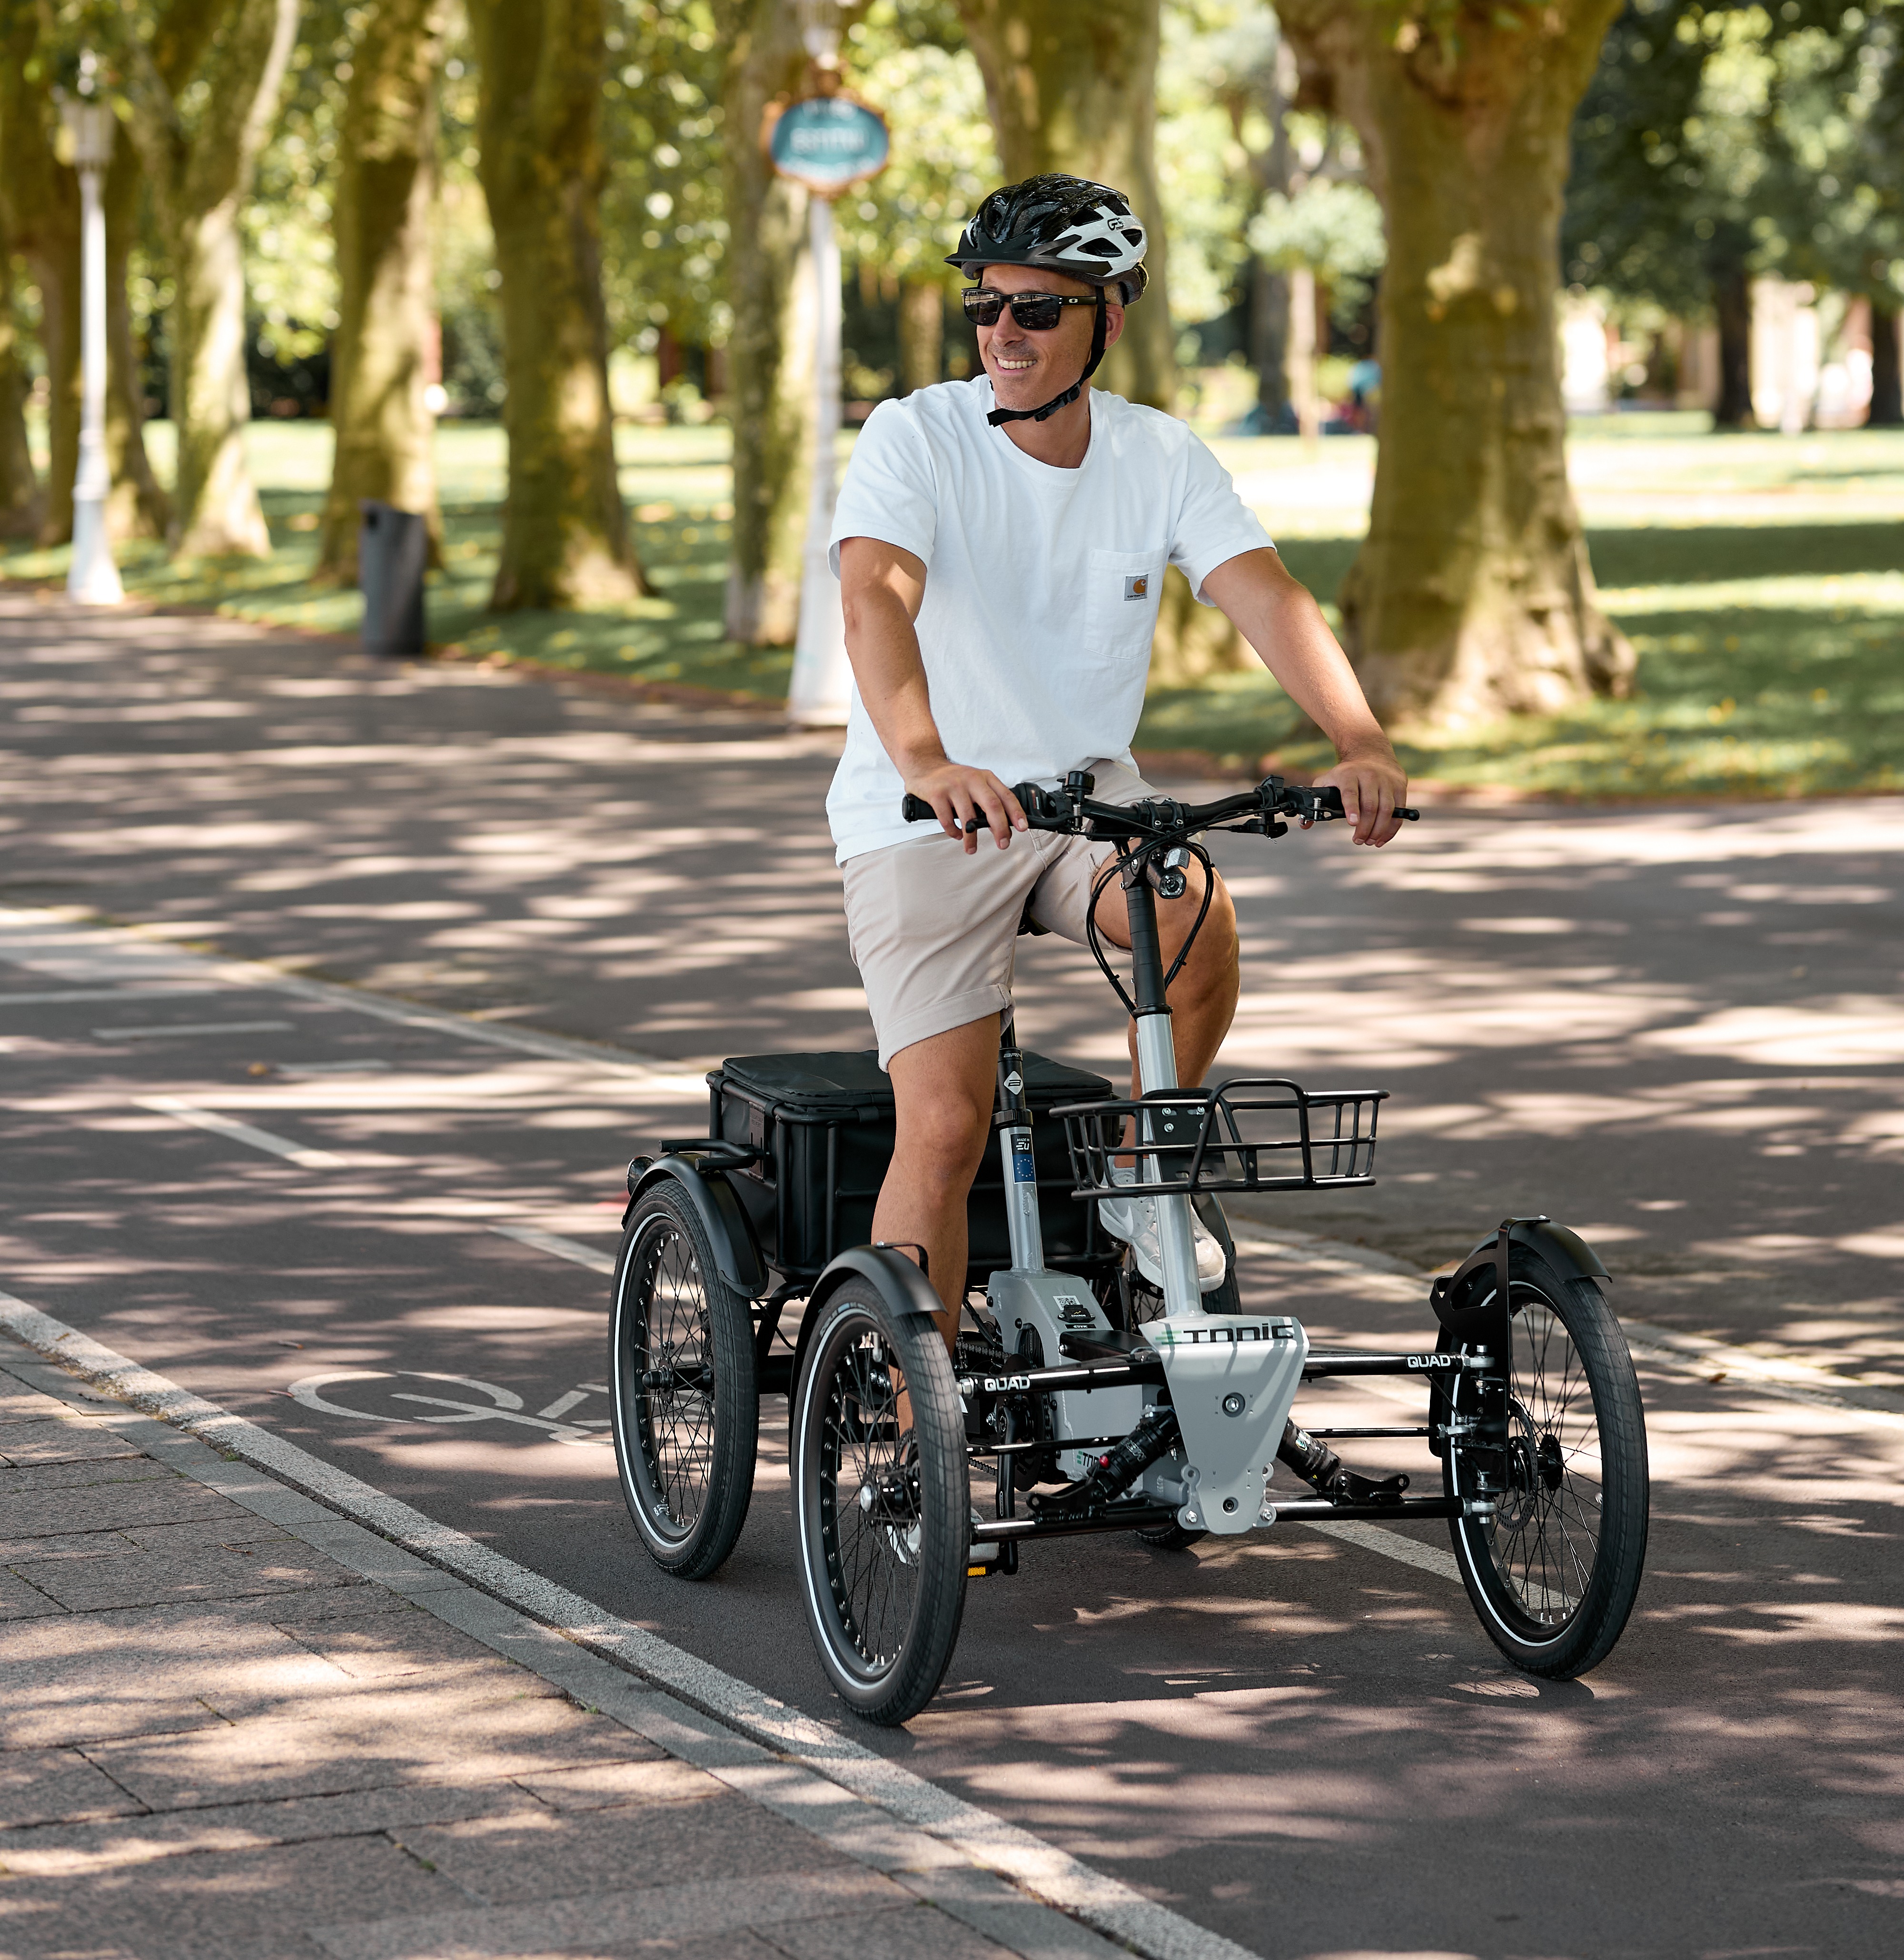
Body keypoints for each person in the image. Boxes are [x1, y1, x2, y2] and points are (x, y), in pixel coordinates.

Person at [827, 173, 1408, 1352]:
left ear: (1108, 318)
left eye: (1037, 309)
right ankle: (911, 1424)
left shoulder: (1158, 455)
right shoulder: (914, 435)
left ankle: (1144, 1177)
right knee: (944, 1126)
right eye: (986, 306)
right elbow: (873, 596)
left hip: (1085, 803)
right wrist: (928, 759)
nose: (1003, 332)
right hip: (925, 813)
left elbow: (1266, 595)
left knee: (1195, 915)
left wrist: (1359, 739)